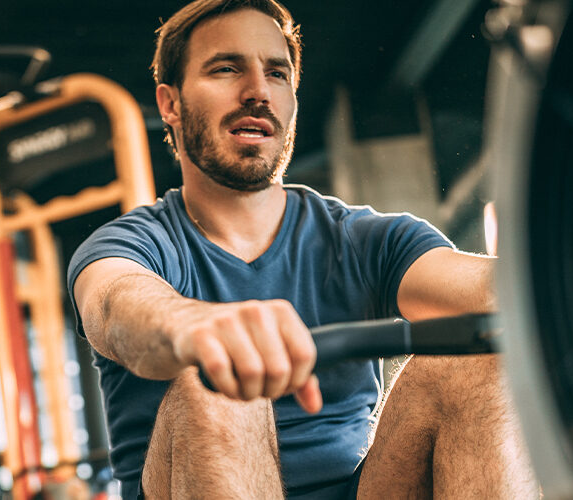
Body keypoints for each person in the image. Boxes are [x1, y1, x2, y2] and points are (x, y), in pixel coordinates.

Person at [67, 0, 538, 498]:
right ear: (171, 104)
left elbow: (489, 291)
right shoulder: (133, 244)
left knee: (477, 362)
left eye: (276, 74)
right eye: (226, 69)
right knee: (222, 374)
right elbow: (115, 306)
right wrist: (193, 325)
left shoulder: (362, 238)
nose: (257, 92)